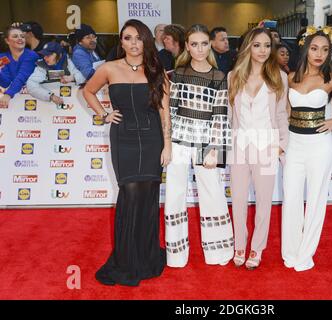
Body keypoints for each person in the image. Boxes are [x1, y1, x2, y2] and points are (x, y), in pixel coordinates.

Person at [82, 19, 171, 286]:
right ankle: (126, 259)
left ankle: (145, 256)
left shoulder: (157, 70)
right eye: (127, 38)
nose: (133, 43)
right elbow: (87, 91)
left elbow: (164, 110)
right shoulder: (108, 68)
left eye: (138, 38)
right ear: (120, 41)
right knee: (130, 193)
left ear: (146, 40)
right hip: (123, 138)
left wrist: (167, 144)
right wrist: (103, 114)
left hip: (153, 137)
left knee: (148, 194)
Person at [282, 26, 332, 272]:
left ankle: (305, 254)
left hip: (319, 146)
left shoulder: (331, 79)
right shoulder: (291, 77)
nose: (319, 54)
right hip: (295, 146)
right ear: (306, 49)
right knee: (292, 199)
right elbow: (287, 109)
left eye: (325, 50)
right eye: (315, 48)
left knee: (316, 200)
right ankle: (291, 251)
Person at [165, 24, 233, 268]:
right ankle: (176, 256)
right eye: (194, 44)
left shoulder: (219, 76)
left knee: (213, 194)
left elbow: (220, 115)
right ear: (186, 46)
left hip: (208, 143)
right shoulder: (178, 74)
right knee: (174, 195)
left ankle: (219, 253)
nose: (200, 49)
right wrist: (167, 144)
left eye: (204, 43)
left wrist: (216, 149)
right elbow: (170, 112)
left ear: (210, 45)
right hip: (178, 141)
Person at [228, 28, 289, 270]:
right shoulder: (234, 76)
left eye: (266, 45)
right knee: (239, 200)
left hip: (267, 146)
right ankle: (239, 245)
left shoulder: (279, 76)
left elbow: (282, 113)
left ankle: (257, 247)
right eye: (257, 45)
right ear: (247, 48)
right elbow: (230, 115)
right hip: (239, 146)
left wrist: (281, 145)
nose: (263, 50)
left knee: (264, 202)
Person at [0, 25, 39, 108]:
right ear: (7, 41)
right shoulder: (3, 57)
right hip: (14, 102)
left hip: (34, 101)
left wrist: (8, 95)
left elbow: (22, 77)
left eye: (22, 36)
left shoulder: (31, 55)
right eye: (15, 36)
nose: (20, 38)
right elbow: (5, 83)